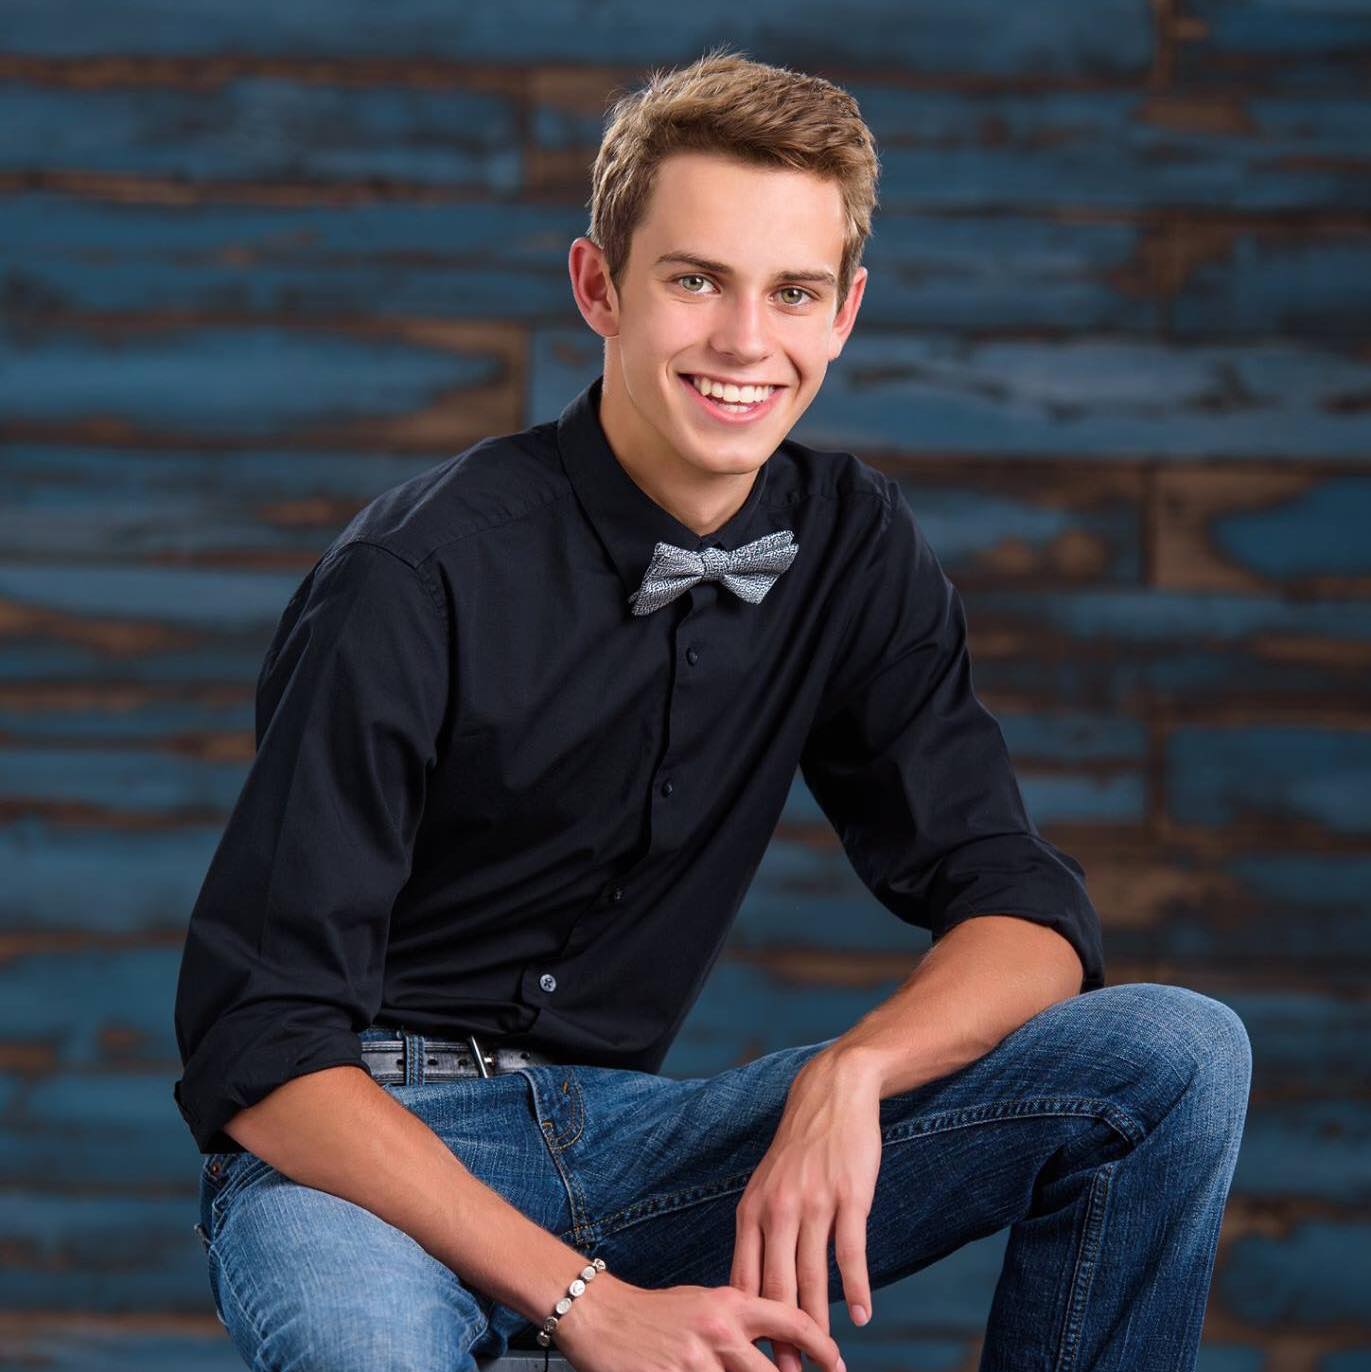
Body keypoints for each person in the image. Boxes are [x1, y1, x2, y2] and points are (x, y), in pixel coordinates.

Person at [173, 44, 1251, 1372]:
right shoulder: (415, 576)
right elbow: (262, 1044)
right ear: (598, 287)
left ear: (846, 312)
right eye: (696, 281)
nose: (747, 342)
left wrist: (852, 1074)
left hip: (636, 1147)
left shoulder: (851, 547)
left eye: (793, 292)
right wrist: (592, 1305)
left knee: (1172, 1054)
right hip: (363, 1158)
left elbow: (1023, 909)